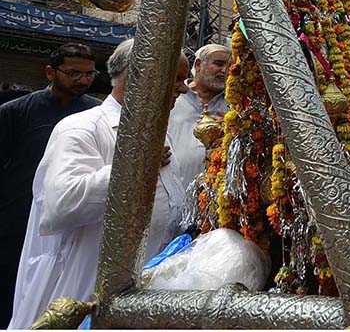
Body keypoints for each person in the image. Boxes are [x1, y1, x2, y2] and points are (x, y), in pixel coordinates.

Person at [9, 40, 189, 329]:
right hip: (82, 285)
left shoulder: (155, 131)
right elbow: (63, 204)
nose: (183, 88)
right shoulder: (82, 128)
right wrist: (135, 164)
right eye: (177, 78)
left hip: (141, 290)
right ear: (141, 75)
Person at [0, 44, 100, 326]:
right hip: (16, 223)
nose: (82, 80)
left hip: (70, 224)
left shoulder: (98, 114)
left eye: (89, 74)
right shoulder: (15, 112)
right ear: (50, 72)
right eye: (73, 73)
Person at [167, 43, 230, 191]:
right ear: (198, 64)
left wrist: (232, 128)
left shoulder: (233, 106)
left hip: (216, 196)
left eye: (228, 66)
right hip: (172, 192)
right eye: (219, 64)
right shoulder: (174, 97)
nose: (224, 71)